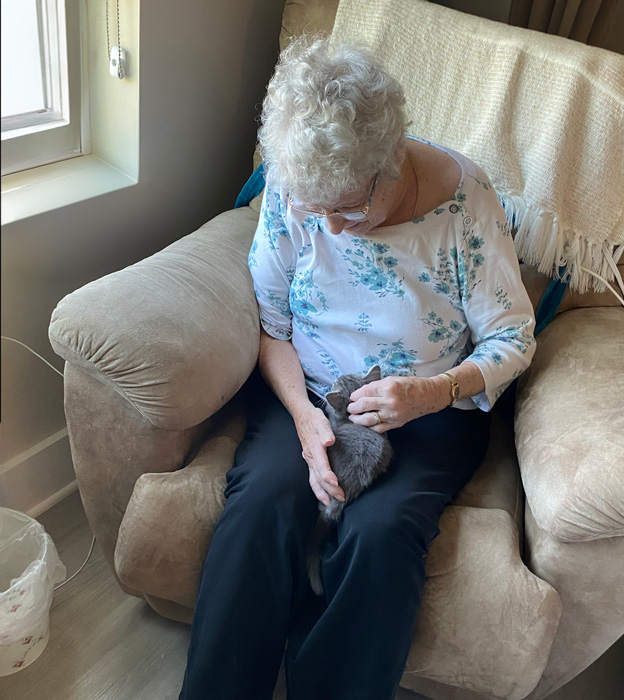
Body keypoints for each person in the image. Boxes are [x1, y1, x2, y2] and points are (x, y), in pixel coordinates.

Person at [179, 37, 535, 700]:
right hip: (309, 397)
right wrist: (306, 421)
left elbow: (512, 339)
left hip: (432, 417)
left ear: (392, 156)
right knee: (259, 506)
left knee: (380, 535)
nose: (333, 230)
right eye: (317, 213)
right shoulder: (299, 190)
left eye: (349, 207)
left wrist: (434, 391)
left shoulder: (465, 204)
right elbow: (271, 323)